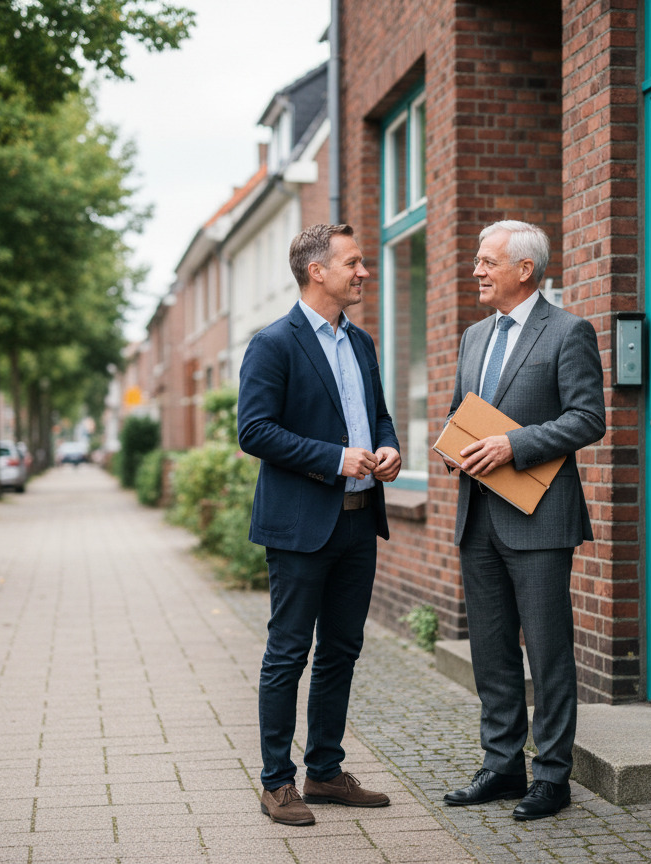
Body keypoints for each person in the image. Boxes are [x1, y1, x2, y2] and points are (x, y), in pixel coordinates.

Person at [238, 223, 402, 826]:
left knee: (341, 651)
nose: (363, 272)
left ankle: (326, 772)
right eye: (353, 263)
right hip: (300, 528)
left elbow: (378, 416)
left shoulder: (361, 342)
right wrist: (335, 459)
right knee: (288, 654)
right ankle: (277, 783)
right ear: (317, 271)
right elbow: (254, 431)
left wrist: (388, 448)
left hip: (359, 523)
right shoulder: (273, 343)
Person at [441, 220, 605, 820]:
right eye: (478, 261)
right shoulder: (473, 336)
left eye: (487, 261)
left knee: (548, 651)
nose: (477, 271)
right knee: (491, 652)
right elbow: (462, 410)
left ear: (524, 270)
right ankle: (502, 766)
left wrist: (514, 445)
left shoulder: (568, 331)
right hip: (478, 517)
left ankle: (553, 776)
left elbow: (588, 418)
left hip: (539, 519)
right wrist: (453, 444)